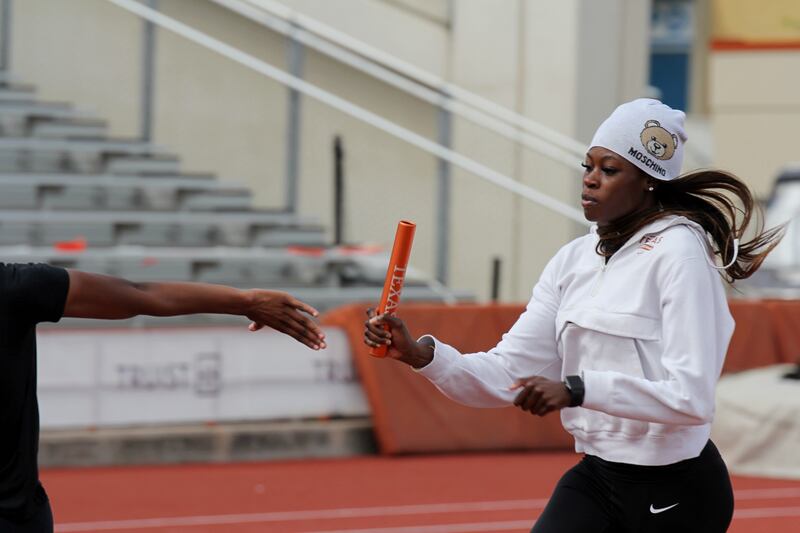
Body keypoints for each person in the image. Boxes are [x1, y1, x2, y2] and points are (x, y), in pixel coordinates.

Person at [364, 98, 783, 533]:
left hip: (679, 490)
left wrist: (577, 389)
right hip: (599, 478)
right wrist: (419, 355)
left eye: (609, 170)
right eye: (587, 167)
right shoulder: (573, 259)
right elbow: (507, 371)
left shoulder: (682, 257)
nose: (590, 180)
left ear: (649, 182)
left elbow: (692, 397)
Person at [0, 266, 326, 532]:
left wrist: (248, 301)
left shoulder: (16, 288)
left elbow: (142, 295)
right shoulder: (14, 287)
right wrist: (247, 301)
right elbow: (141, 295)